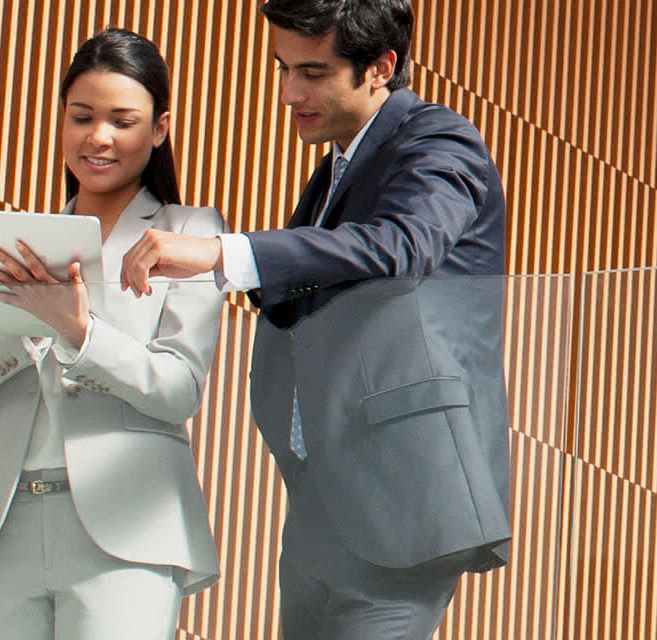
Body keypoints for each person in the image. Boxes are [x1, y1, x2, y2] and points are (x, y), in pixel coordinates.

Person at [118, 1, 510, 637]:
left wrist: (224, 253)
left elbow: (401, 245)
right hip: (322, 501)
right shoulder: (335, 168)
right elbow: (302, 294)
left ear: (381, 67)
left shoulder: (440, 140)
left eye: (313, 73)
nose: (288, 92)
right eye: (282, 68)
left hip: (404, 500)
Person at [0, 27, 226, 640]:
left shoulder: (189, 230)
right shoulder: (20, 242)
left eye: (123, 120)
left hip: (130, 528)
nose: (99, 137)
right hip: (2, 531)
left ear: (159, 129)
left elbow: (179, 388)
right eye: (81, 116)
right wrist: (26, 324)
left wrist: (79, 331)